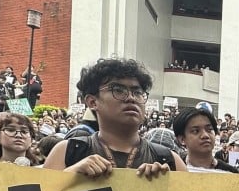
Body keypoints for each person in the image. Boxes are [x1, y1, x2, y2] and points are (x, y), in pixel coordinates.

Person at [44, 58, 186, 176]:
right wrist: (71, 174)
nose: (131, 98)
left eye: (137, 92)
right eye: (118, 90)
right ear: (92, 102)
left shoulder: (170, 160)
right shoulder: (66, 152)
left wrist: (168, 186)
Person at [173, 104, 238, 173]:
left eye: (209, 129)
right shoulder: (173, 169)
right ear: (182, 139)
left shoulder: (230, 172)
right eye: (196, 131)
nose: (205, 135)